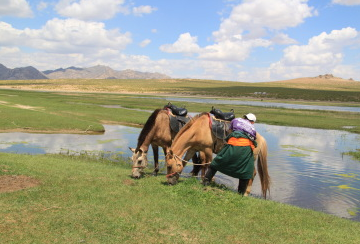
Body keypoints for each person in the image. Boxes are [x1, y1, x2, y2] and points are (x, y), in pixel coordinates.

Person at [202, 113, 257, 195]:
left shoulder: (236, 120)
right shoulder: (253, 129)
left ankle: (205, 182)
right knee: (246, 171)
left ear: (244, 117)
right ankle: (240, 194)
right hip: (246, 148)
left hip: (233, 144)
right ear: (252, 122)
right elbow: (253, 141)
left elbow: (229, 131)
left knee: (216, 162)